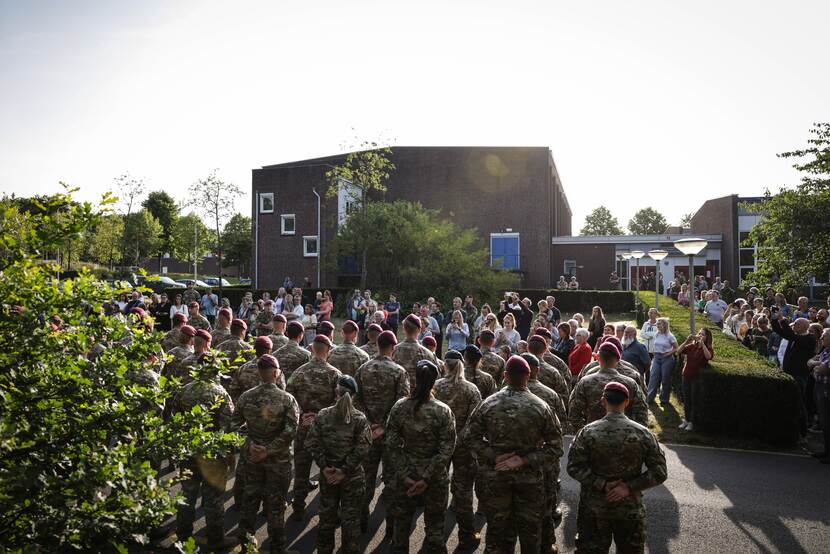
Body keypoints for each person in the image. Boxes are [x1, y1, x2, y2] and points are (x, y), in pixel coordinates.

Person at [463, 355, 563, 553]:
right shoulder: (541, 406)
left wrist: (493, 455)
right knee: (530, 535)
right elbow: (556, 447)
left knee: (497, 534)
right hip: (530, 481)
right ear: (529, 375)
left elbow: (469, 438)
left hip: (495, 477)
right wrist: (524, 460)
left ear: (506, 376)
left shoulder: (488, 404)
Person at [567, 382, 668, 553]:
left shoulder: (587, 432)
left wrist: (603, 485)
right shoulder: (643, 433)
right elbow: (659, 472)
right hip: (629, 508)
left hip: (594, 509)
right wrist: (627, 487)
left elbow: (573, 467)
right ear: (627, 402)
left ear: (603, 401)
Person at [386, 360, 456, 553]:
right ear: (435, 381)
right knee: (435, 530)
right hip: (434, 478)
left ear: (415, 379)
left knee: (401, 530)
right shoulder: (443, 411)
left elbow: (391, 445)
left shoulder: (400, 407)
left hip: (406, 474)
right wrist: (426, 477)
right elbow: (446, 448)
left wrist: (405, 475)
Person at [232, 354, 300, 552]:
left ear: (260, 373)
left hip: (251, 459)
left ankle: (245, 545)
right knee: (276, 505)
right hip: (278, 462)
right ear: (276, 373)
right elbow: (291, 431)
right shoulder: (287, 399)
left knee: (249, 502)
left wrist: (251, 445)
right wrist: (268, 450)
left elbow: (234, 425)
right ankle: (277, 547)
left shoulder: (246, 397)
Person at [169, 355, 235, 549]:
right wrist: (230, 454)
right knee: (213, 497)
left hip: (188, 449)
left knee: (187, 494)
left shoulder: (184, 391)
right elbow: (227, 427)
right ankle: (216, 539)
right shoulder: (220, 393)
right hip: (212, 452)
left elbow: (174, 420)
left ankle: (183, 535)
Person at [305, 375, 373, 554]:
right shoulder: (359, 418)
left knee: (327, 520)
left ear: (336, 392)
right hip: (353, 478)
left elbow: (311, 443)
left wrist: (325, 467)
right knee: (350, 522)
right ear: (354, 396)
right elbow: (363, 448)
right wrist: (344, 470)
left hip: (328, 477)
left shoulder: (323, 415)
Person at [353, 330, 410, 536]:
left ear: (377, 345)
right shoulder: (398, 371)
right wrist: (385, 425)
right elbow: (402, 404)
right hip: (390, 435)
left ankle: (361, 522)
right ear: (393, 348)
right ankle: (391, 528)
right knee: (392, 481)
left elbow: (355, 400)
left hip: (368, 432)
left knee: (366, 479)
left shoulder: (363, 369)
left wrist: (369, 423)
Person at [286, 334, 342, 519]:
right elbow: (339, 402)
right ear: (328, 350)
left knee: (301, 471)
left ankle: (298, 508)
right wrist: (319, 416)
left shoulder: (298, 373)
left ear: (312, 349)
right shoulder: (335, 374)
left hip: (303, 427)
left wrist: (303, 415)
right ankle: (327, 512)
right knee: (327, 471)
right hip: (324, 431)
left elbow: (289, 398)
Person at [432, 351, 482, 549]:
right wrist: (461, 439)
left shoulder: (436, 386)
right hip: (464, 446)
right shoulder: (471, 389)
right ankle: (467, 535)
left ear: (446, 365)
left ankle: (434, 536)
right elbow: (475, 422)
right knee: (463, 493)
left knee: (436, 492)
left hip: (439, 445)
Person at [521, 352, 566, 552]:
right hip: (544, 457)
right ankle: (546, 545)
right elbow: (562, 423)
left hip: (513, 459)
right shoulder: (549, 395)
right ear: (536, 371)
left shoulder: (500, 394)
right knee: (546, 504)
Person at [568, 342, 649, 432]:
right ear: (618, 359)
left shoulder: (585, 382)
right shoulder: (631, 383)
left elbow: (573, 412)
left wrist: (585, 432)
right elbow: (642, 413)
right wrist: (633, 434)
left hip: (593, 437)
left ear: (599, 358)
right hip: (625, 437)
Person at [772, 314, 816, 437]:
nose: (795, 325)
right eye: (795, 323)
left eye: (798, 324)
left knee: (799, 403)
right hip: (787, 372)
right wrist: (775, 319)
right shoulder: (794, 337)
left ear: (805, 326)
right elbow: (779, 331)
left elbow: (791, 334)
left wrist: (783, 320)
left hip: (799, 375)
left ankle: (802, 433)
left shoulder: (809, 338)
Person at [678, 328, 713, 431]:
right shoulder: (692, 346)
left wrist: (702, 345)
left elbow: (708, 357)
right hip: (686, 375)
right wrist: (687, 341)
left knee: (694, 400)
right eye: (699, 333)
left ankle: (692, 422)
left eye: (703, 334)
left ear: (707, 337)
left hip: (696, 377)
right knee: (686, 399)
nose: (700, 335)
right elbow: (678, 351)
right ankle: (686, 419)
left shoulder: (707, 348)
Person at [393, 314, 438, 390]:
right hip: (420, 397)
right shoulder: (428, 354)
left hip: (398, 396)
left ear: (403, 329)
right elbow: (434, 380)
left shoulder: (393, 351)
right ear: (419, 330)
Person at [807, 328, 830, 464]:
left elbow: (824, 369)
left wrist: (816, 364)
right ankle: (826, 451)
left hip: (827, 389)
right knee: (823, 420)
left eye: (824, 336)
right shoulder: (825, 351)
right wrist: (817, 364)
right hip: (819, 386)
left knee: (827, 421)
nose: (821, 338)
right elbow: (809, 363)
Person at [648, 318, 679, 405]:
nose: (657, 325)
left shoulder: (670, 336)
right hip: (657, 358)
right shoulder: (656, 334)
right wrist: (654, 352)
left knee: (665, 380)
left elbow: (676, 348)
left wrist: (668, 354)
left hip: (667, 359)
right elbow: (655, 344)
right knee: (653, 378)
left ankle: (664, 399)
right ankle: (649, 398)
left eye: (659, 324)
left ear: (665, 325)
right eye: (657, 324)